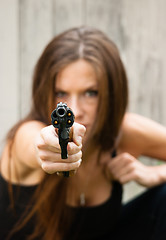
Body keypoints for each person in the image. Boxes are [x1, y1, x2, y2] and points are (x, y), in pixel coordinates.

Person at [1, 26, 166, 240]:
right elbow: (35, 144)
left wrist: (156, 174)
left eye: (91, 93)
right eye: (61, 93)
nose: (75, 110)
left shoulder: (123, 133)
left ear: (112, 94)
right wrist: (48, 149)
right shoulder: (27, 134)